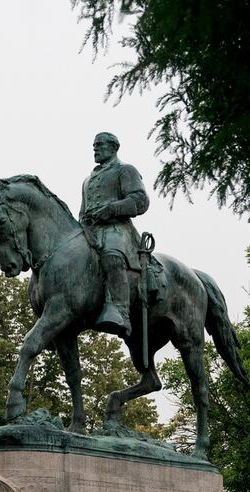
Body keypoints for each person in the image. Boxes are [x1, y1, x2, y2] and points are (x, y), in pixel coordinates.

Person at [80, 132, 149, 338]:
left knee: (112, 255)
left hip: (117, 229)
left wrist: (111, 209)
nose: (95, 149)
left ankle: (120, 311)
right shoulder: (87, 180)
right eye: (94, 145)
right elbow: (83, 211)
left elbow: (140, 200)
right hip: (91, 230)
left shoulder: (125, 170)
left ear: (114, 148)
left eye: (100, 145)